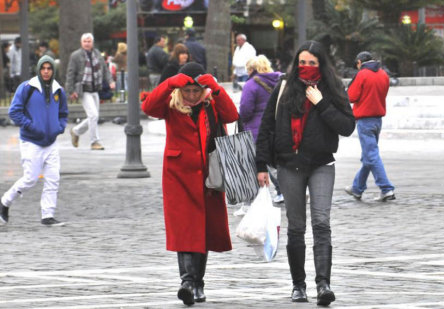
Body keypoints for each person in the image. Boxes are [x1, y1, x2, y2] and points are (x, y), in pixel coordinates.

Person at [255, 40, 355, 306]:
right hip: (290, 165)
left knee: (322, 224)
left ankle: (323, 284)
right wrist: (261, 166)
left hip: (322, 164)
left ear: (321, 64)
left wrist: (321, 103)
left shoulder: (332, 89)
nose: (307, 67)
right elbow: (266, 128)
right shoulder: (284, 88)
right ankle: (298, 286)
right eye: (302, 62)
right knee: (296, 227)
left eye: (312, 63)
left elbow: (347, 126)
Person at [141, 63, 239, 305]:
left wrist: (216, 88)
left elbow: (232, 115)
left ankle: (198, 282)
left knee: (202, 230)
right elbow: (148, 106)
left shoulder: (211, 103)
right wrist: (172, 82)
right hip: (178, 176)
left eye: (196, 90)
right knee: (185, 228)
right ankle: (187, 281)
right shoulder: (171, 105)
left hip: (208, 176)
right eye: (188, 91)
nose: (192, 95)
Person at [0, 55, 68, 226]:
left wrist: (59, 127)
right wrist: (30, 126)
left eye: (49, 68)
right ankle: (5, 202)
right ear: (38, 70)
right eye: (43, 68)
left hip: (51, 142)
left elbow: (63, 113)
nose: (46, 71)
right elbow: (14, 112)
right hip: (31, 141)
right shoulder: (27, 88)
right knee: (30, 179)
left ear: (53, 70)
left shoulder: (58, 90)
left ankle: (47, 215)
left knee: (53, 179)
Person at [344, 51, 396, 202]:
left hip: (364, 120)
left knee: (371, 155)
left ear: (360, 62)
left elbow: (351, 96)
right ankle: (357, 188)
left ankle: (386, 188)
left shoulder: (362, 74)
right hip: (378, 119)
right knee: (368, 155)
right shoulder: (383, 74)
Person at [238, 55, 283, 208]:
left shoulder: (251, 85)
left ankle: (250, 202)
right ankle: (286, 190)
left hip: (255, 131)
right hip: (276, 129)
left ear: (251, 69)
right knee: (273, 163)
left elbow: (245, 110)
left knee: (255, 165)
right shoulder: (279, 81)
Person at [66, 33, 115, 151]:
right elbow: (70, 74)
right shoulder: (76, 55)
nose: (87, 43)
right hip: (83, 90)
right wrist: (71, 91)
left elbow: (105, 70)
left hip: (95, 89)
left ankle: (76, 131)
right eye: (85, 41)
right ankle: (95, 142)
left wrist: (110, 81)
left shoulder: (97, 54)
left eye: (89, 41)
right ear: (81, 43)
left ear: (92, 43)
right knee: (93, 115)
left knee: (94, 117)